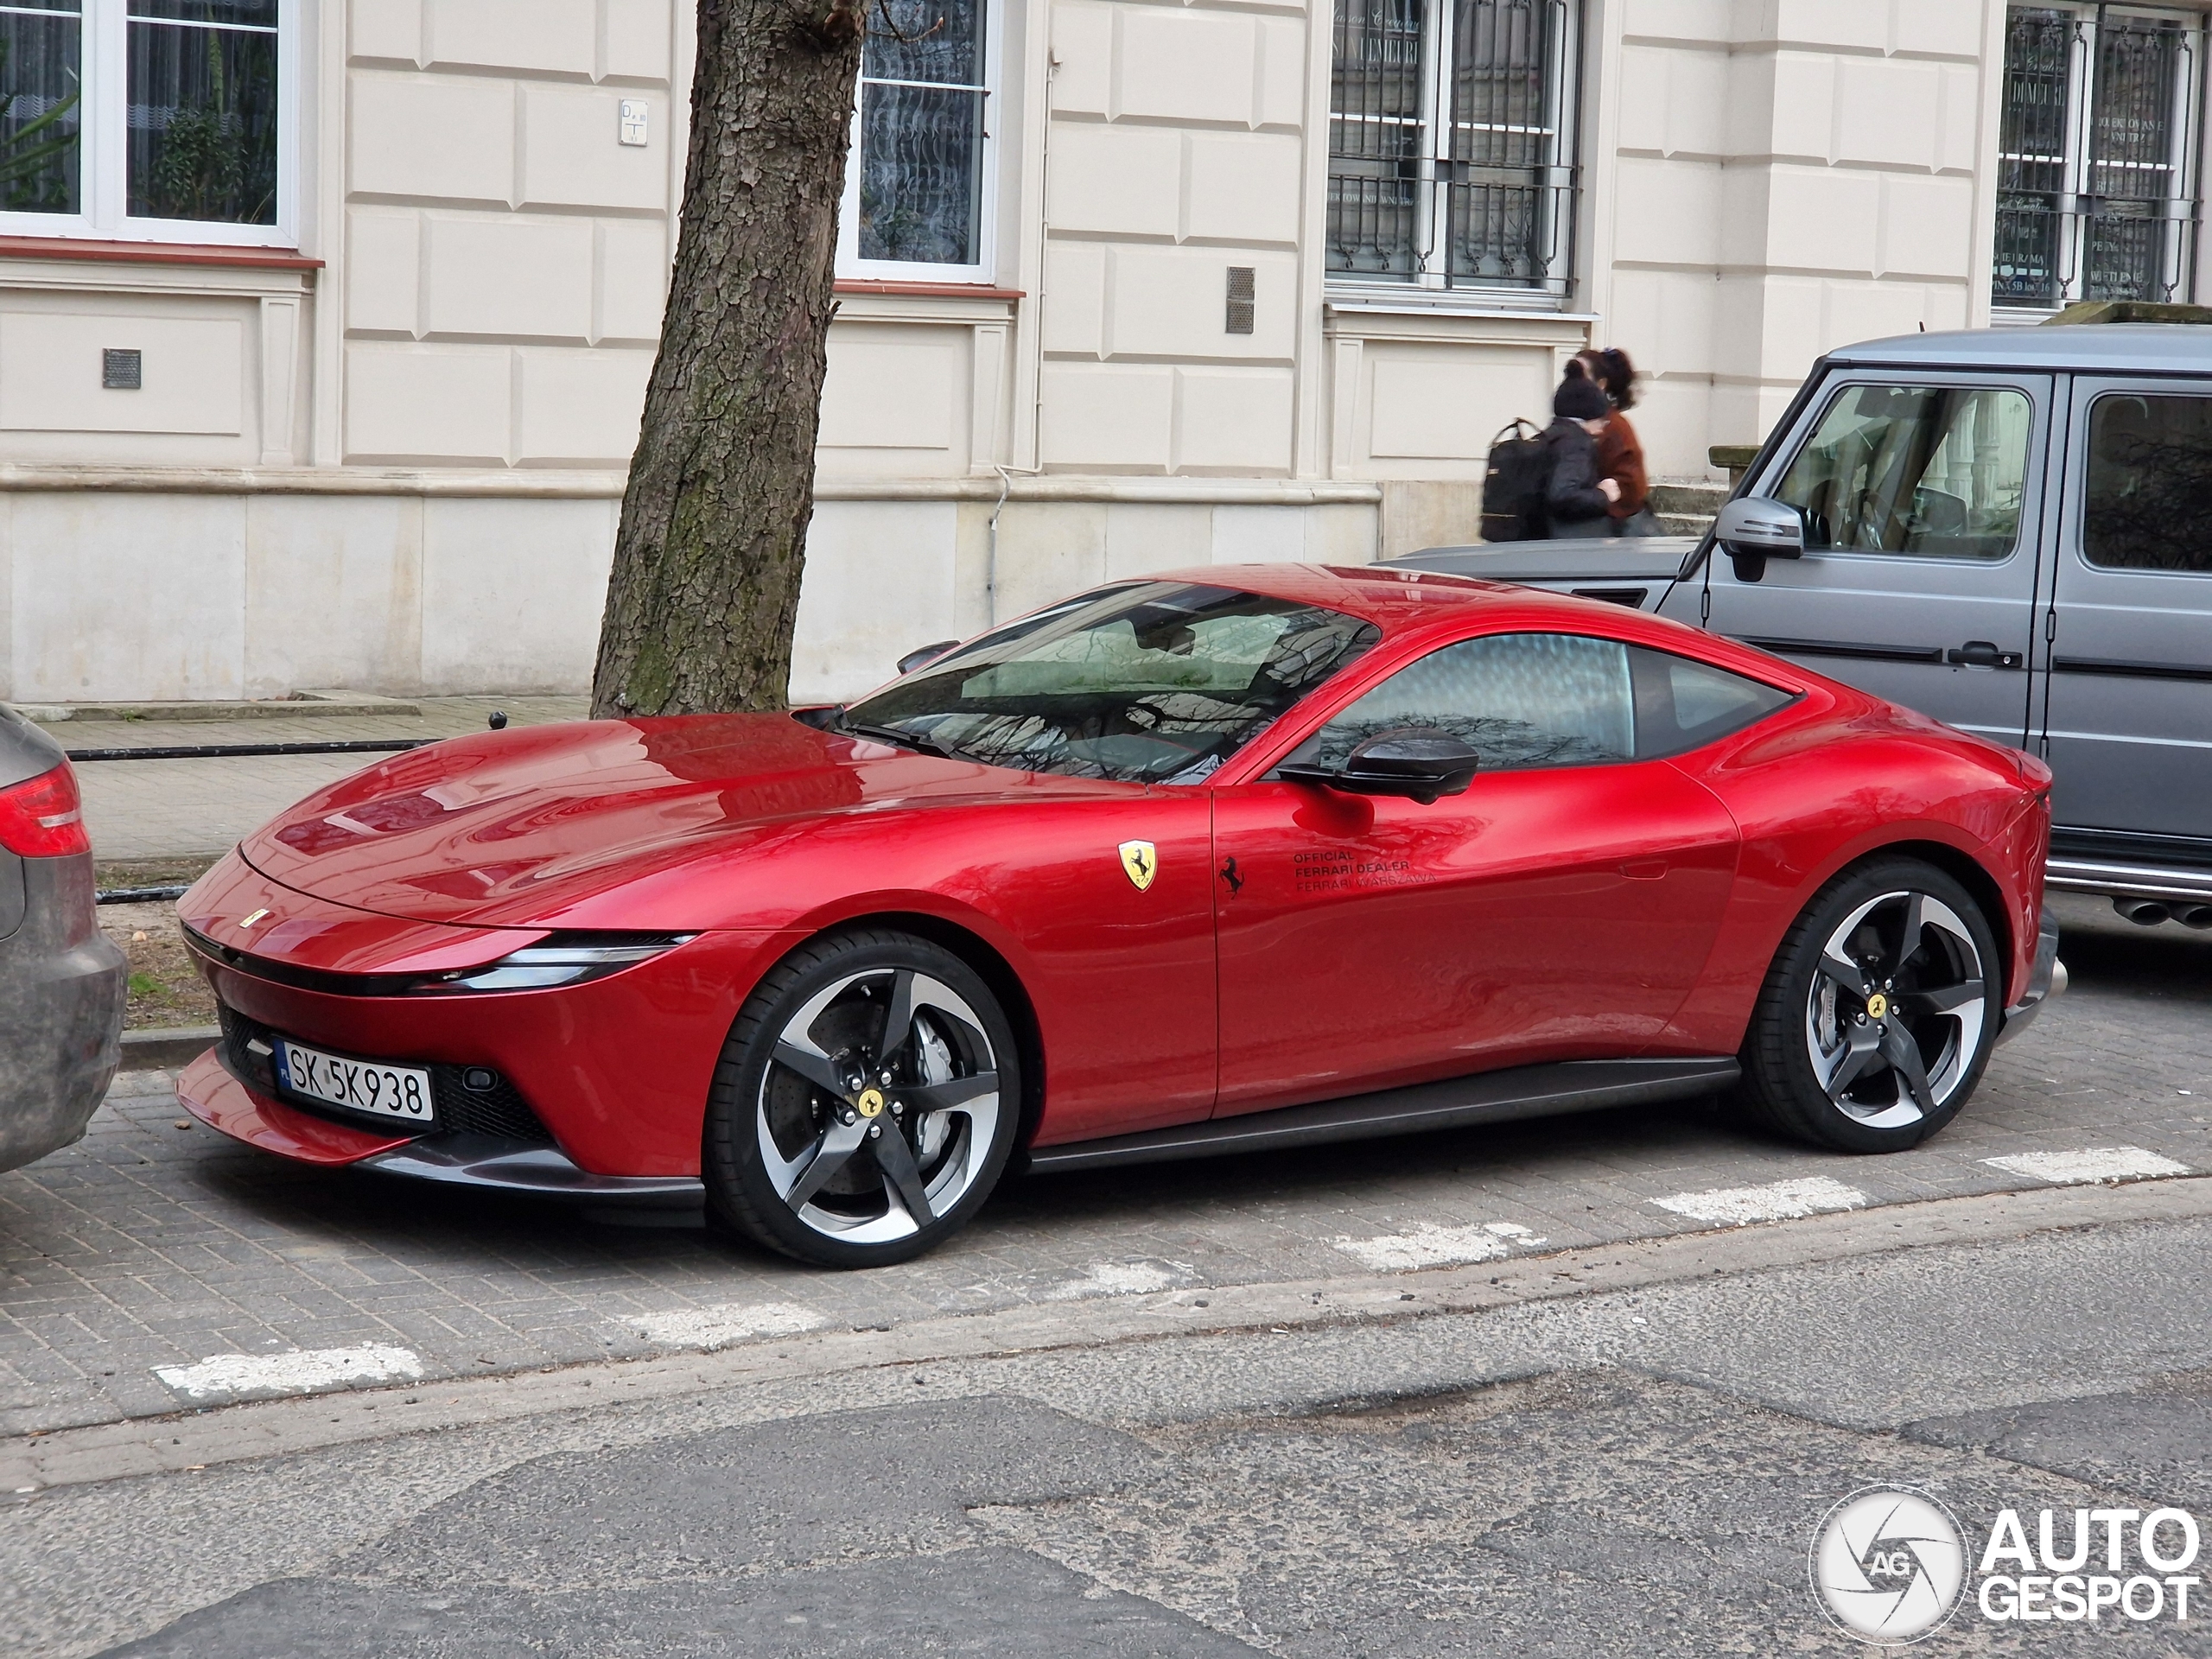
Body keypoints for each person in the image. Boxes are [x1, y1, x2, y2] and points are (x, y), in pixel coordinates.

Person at [1575, 346, 1664, 537]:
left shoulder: (1615, 427)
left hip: (1614, 532)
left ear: (1601, 384)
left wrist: (1599, 497)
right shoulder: (1572, 422)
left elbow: (1632, 487)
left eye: (1580, 375)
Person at [1542, 359, 1619, 539]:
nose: (1603, 428)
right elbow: (1562, 495)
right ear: (1588, 417)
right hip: (1565, 542)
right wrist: (1603, 495)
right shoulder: (1576, 444)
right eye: (1602, 420)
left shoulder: (1550, 436)